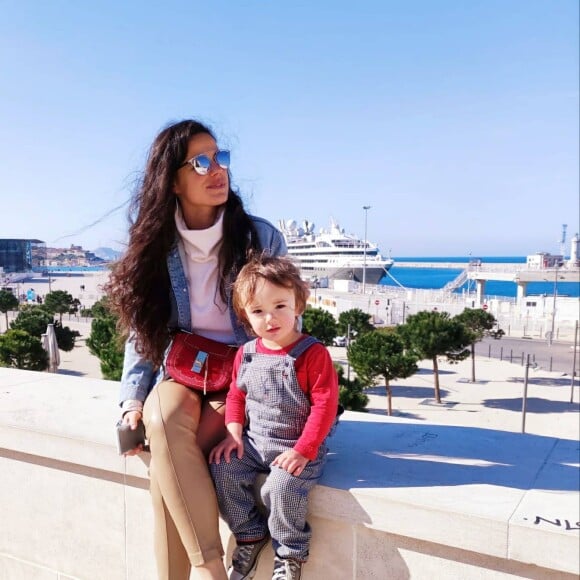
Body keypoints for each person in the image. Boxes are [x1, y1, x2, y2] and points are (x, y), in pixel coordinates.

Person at [105, 119, 287, 580]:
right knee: (159, 418)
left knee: (165, 474)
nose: (216, 170)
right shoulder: (155, 244)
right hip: (185, 372)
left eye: (220, 158)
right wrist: (131, 399)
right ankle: (211, 568)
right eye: (201, 162)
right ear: (172, 181)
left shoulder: (260, 239)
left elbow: (281, 330)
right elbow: (143, 330)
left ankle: (204, 571)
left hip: (245, 376)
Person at [209, 255, 339, 580]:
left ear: (299, 305)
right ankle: (250, 533)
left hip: (298, 448)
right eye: (258, 311)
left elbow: (325, 406)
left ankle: (289, 555)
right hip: (255, 443)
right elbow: (237, 395)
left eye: (280, 306)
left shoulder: (312, 354)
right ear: (245, 317)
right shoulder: (247, 353)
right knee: (223, 469)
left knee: (279, 489)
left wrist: (303, 450)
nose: (270, 318)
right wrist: (234, 433)